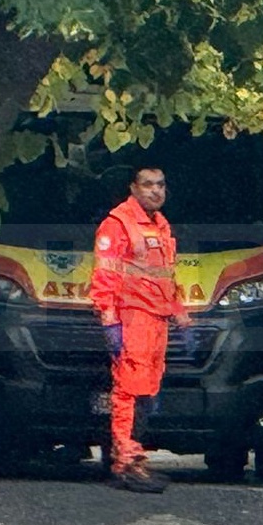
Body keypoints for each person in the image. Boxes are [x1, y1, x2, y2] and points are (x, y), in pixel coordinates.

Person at [90, 167, 194, 493]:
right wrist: (110, 322)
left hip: (156, 320)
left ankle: (134, 458)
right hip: (132, 317)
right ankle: (125, 462)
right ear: (133, 188)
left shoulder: (160, 225)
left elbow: (165, 278)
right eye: (148, 185)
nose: (155, 191)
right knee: (128, 392)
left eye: (161, 184)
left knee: (146, 393)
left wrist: (181, 317)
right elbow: (104, 278)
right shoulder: (118, 224)